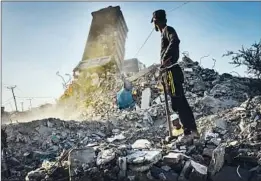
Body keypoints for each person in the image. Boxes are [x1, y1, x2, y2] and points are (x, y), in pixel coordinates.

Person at [151, 9, 199, 138]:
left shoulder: (168, 30)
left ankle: (190, 130)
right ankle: (190, 129)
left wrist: (167, 58)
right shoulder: (164, 33)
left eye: (155, 21)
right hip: (169, 73)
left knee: (178, 101)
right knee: (177, 102)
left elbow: (175, 40)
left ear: (156, 21)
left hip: (172, 71)